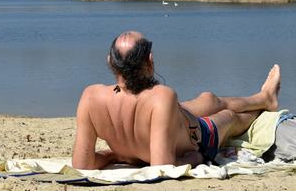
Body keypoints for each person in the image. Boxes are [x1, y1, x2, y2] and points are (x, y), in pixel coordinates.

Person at [72, 31, 281, 169]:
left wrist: (115, 155)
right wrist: (197, 157)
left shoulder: (90, 97)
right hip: (200, 137)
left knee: (208, 99)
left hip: (171, 119)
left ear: (110, 62)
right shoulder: (161, 96)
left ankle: (264, 97)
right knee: (229, 116)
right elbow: (162, 167)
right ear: (150, 62)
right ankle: (261, 110)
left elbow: (81, 164)